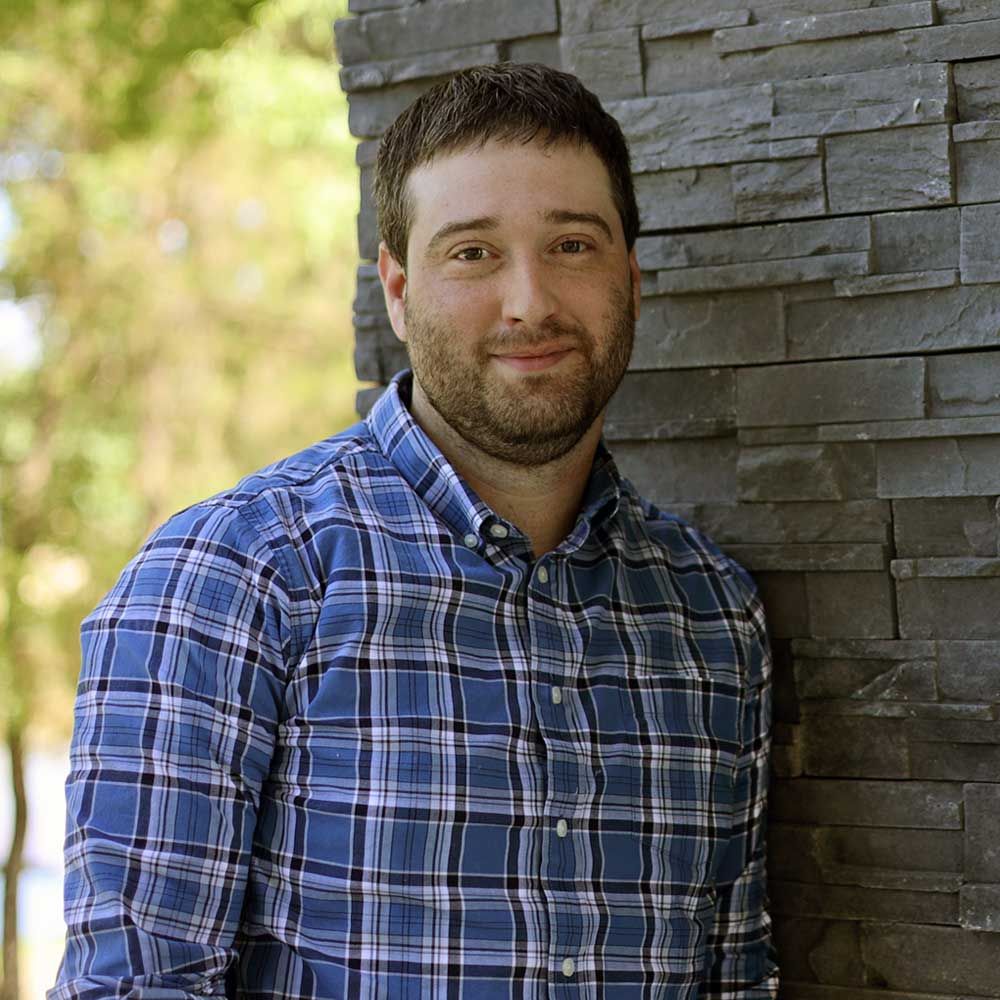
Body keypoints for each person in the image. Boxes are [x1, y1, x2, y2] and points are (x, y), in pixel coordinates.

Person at [51, 63, 778, 999]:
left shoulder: (713, 614)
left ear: (631, 281)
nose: (530, 301)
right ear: (397, 290)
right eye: (472, 253)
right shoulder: (233, 577)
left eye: (572, 245)